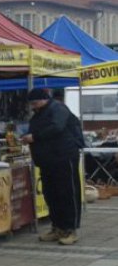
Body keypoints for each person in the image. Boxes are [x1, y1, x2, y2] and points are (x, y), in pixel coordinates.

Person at [22, 88, 83, 245]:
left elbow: (57, 127)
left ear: (44, 99)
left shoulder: (58, 108)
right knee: (51, 194)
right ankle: (57, 227)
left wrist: (34, 137)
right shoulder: (39, 113)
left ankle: (70, 229)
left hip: (64, 157)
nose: (33, 107)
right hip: (47, 160)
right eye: (31, 104)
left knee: (67, 193)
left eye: (35, 103)